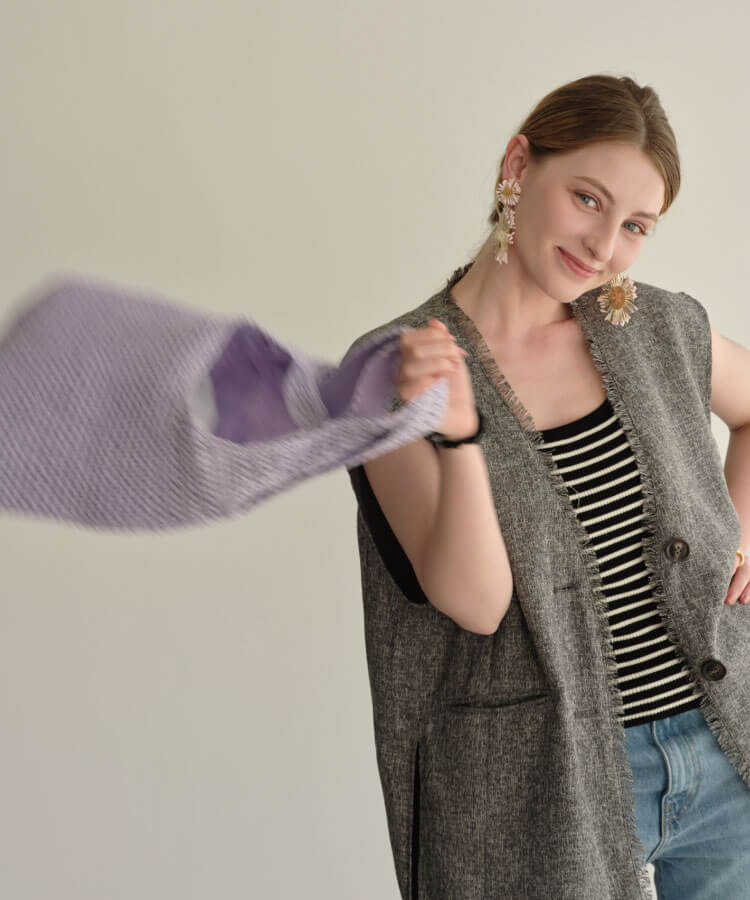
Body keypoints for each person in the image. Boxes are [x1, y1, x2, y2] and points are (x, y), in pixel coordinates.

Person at [345, 73, 750, 898]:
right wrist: (459, 436)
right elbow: (475, 601)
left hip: (723, 754)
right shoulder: (397, 367)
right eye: (587, 199)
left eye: (635, 225)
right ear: (519, 166)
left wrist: (735, 537)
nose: (603, 246)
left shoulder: (660, 326)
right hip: (536, 786)